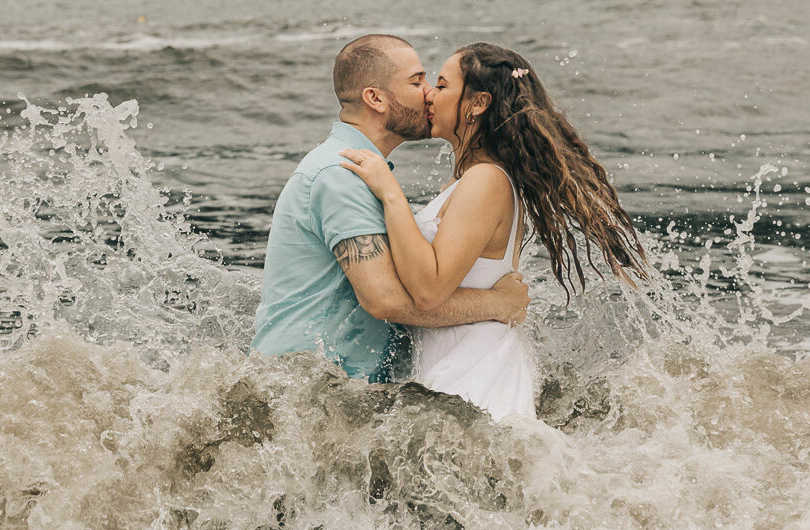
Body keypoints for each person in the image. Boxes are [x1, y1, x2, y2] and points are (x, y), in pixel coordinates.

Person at [339, 42, 651, 419]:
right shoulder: (474, 179)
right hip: (461, 365)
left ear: (478, 103)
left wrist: (390, 194)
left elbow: (428, 289)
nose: (429, 96)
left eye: (440, 84)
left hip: (477, 375)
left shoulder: (485, 180)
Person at [251, 35, 530, 384]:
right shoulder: (341, 174)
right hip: (305, 387)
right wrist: (497, 305)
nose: (428, 92)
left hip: (342, 387)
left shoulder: (365, 173)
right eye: (417, 81)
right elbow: (386, 299)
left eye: (435, 83)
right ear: (376, 99)